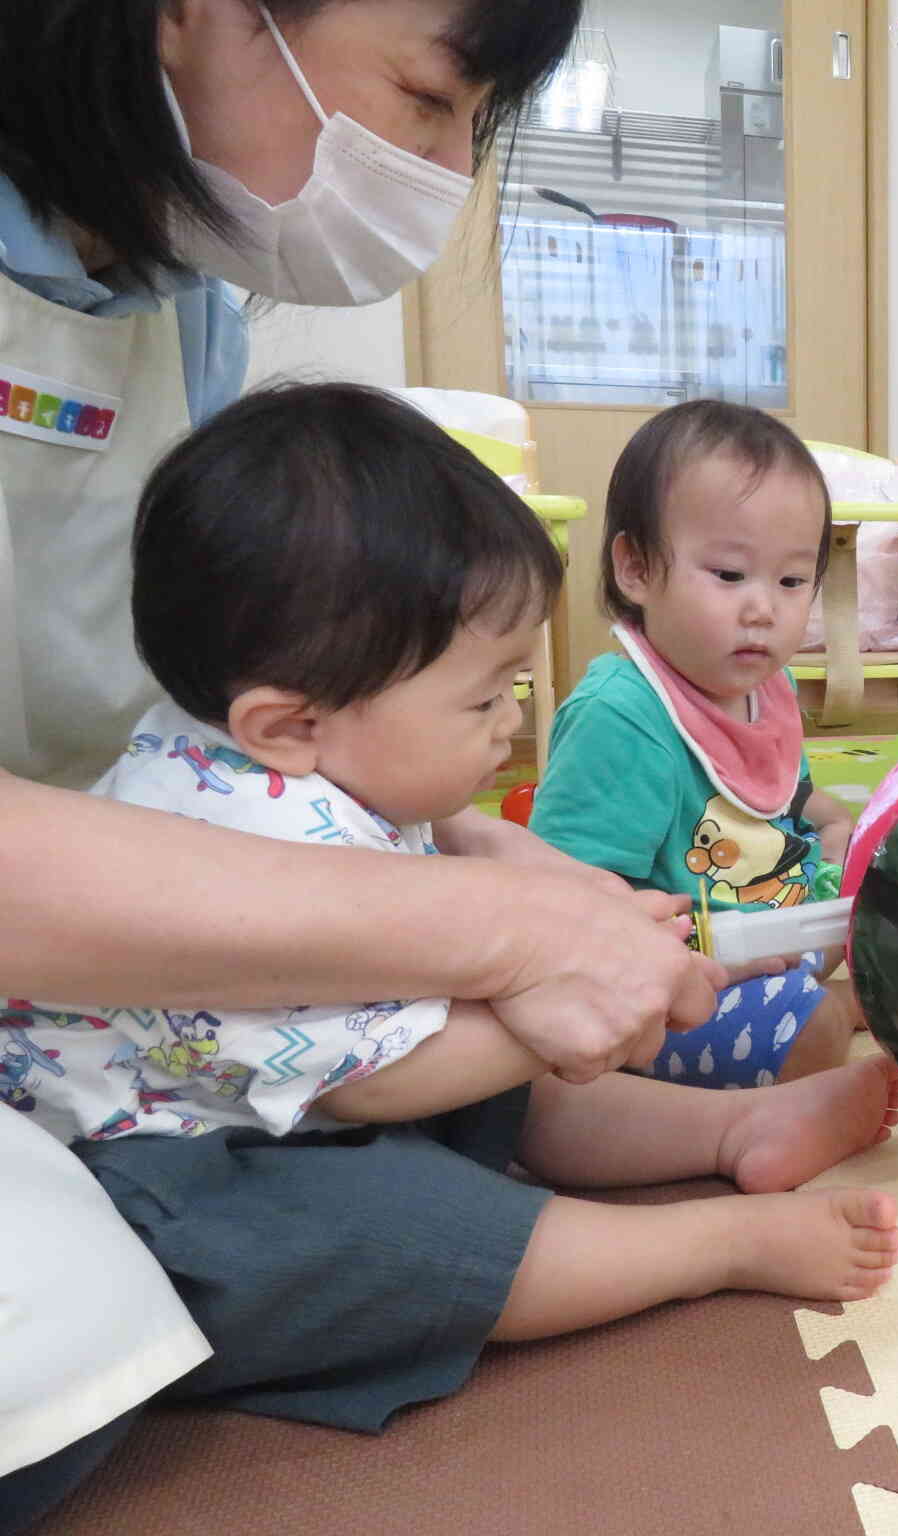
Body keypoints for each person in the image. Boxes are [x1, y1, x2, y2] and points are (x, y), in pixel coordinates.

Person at [0, 2, 706, 1521]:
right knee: (74, 1365)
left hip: (131, 920)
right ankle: (704, 1230)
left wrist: (509, 880)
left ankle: (719, 1138)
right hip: (111, 1050)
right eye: (428, 99)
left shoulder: (182, 295)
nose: (445, 172)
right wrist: (522, 945)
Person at [6, 382, 898, 1455]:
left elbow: (463, 849)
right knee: (414, 1225)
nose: (513, 721)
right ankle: (714, 1244)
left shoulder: (299, 752)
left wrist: (569, 915)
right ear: (288, 724)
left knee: (508, 1099)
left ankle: (731, 1128)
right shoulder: (257, 826)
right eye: (484, 702)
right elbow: (385, 1079)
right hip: (172, 1161)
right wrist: (582, 1013)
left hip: (310, 1088)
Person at [530, 401, 862, 1085]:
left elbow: (777, 790)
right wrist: (688, 960)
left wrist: (829, 820)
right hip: (678, 983)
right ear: (637, 569)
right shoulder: (622, 717)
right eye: (730, 575)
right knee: (816, 1033)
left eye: (793, 581)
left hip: (786, 933)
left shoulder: (764, 683)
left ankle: (845, 996)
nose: (763, 608)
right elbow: (566, 904)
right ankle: (835, 1018)